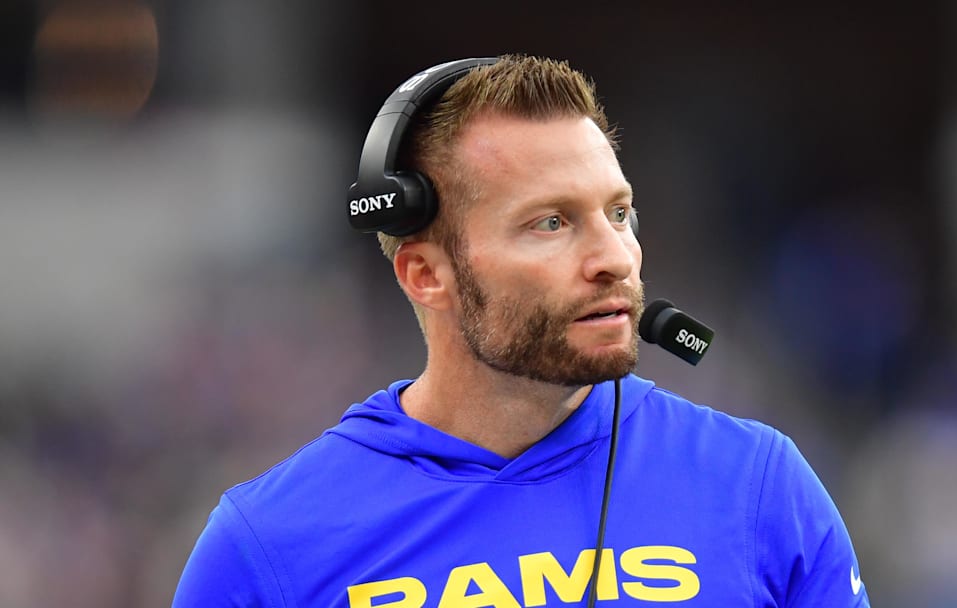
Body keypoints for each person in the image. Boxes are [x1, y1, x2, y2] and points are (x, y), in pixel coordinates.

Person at [173, 54, 871, 608]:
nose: (614, 259)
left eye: (619, 213)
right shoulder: (267, 545)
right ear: (426, 275)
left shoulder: (758, 484)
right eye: (551, 223)